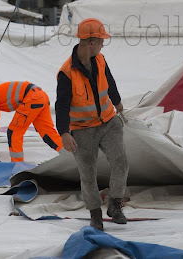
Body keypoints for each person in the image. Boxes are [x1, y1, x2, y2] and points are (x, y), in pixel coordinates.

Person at [56, 18, 128, 231]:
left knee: (121, 161)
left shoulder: (100, 60)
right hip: (82, 129)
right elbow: (61, 105)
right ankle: (95, 214)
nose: (103, 45)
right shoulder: (67, 73)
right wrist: (64, 133)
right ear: (91, 43)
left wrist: (118, 103)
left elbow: (110, 83)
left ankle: (115, 206)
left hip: (108, 122)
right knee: (88, 175)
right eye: (101, 41)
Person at [0, 80, 63, 161]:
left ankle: (17, 165)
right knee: (47, 132)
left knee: (13, 132)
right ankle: (69, 155)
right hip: (40, 96)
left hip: (31, 98)